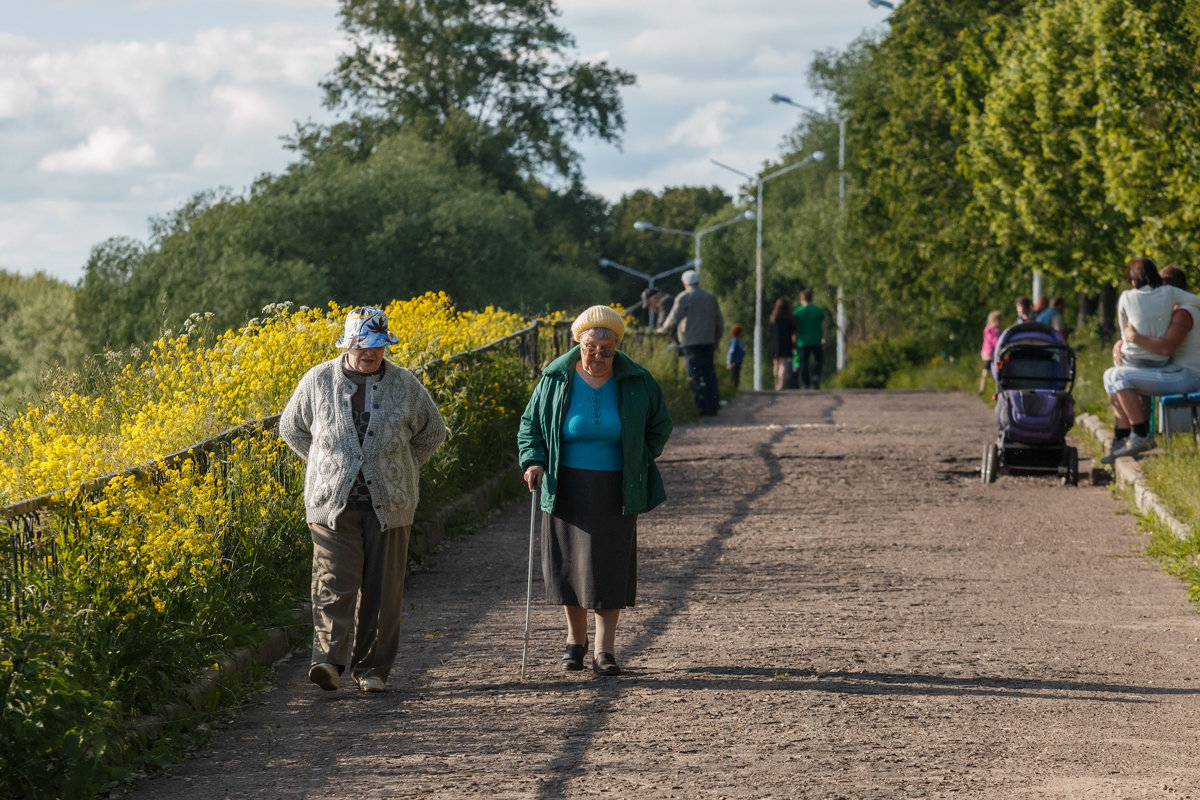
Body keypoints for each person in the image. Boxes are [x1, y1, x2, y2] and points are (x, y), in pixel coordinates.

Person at [280, 306, 447, 693]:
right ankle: (328, 662)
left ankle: (372, 669)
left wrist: (399, 466)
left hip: (390, 503)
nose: (370, 353)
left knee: (383, 590)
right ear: (347, 344)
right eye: (363, 345)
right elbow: (292, 428)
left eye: (378, 346)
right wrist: (325, 464)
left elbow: (432, 433)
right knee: (333, 582)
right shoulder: (318, 379)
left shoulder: (405, 384)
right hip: (331, 504)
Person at [518, 306, 673, 676]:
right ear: (579, 344)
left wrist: (639, 455)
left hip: (615, 484)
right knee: (569, 565)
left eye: (607, 349)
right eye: (591, 348)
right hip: (565, 482)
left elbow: (660, 424)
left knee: (609, 565)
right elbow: (530, 425)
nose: (598, 356)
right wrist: (534, 461)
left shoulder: (637, 380)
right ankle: (575, 641)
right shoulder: (556, 378)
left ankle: (605, 650)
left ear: (617, 347)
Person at [1102, 263, 1200, 461]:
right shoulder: (1176, 310)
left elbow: (1166, 348)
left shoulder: (1184, 313)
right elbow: (1149, 335)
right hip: (1176, 371)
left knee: (1120, 376)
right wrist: (1122, 342)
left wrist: (1132, 338)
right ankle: (1123, 437)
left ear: (1164, 286)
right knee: (1112, 375)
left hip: (1188, 375)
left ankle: (1140, 434)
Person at [657, 270, 724, 416]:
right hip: (708, 341)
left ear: (684, 283)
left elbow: (674, 318)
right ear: (698, 282)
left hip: (690, 342)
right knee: (710, 374)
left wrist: (662, 330)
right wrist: (717, 338)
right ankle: (713, 406)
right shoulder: (710, 297)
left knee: (695, 375)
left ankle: (701, 408)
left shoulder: (684, 297)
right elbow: (719, 320)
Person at [792, 289, 827, 390]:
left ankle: (805, 383)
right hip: (817, 340)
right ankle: (816, 376)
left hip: (802, 341)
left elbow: (794, 328)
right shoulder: (819, 311)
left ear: (802, 299)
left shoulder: (797, 311)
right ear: (811, 298)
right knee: (818, 360)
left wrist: (793, 339)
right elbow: (824, 326)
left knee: (804, 363)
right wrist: (824, 338)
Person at [767, 298, 795, 390]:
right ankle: (781, 384)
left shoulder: (773, 318)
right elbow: (793, 331)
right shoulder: (789, 318)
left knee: (776, 364)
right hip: (785, 344)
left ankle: (776, 383)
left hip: (774, 344)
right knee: (783, 365)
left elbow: (770, 331)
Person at [979, 310, 1002, 395]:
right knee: (995, 368)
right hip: (992, 352)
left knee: (986, 369)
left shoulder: (987, 329)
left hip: (985, 351)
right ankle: (991, 385)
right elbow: (995, 342)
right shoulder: (995, 330)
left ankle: (983, 386)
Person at [726, 323, 746, 389]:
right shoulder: (735, 341)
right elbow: (731, 351)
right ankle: (732, 393)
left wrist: (740, 365)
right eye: (741, 332)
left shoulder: (739, 341)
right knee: (733, 379)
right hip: (733, 364)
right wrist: (729, 363)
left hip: (737, 364)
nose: (742, 334)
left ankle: (734, 392)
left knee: (736, 380)